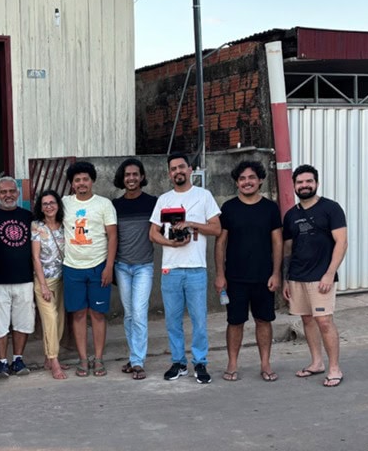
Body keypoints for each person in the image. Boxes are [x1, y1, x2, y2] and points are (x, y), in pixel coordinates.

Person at [149, 153, 221, 384]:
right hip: (170, 268)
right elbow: (153, 233)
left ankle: (200, 363)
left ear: (190, 169)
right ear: (169, 174)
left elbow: (216, 228)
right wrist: (171, 242)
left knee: (199, 320)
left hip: (196, 268)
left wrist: (190, 224)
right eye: (173, 169)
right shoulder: (164, 200)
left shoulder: (204, 196)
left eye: (181, 167)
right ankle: (179, 362)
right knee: (172, 320)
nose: (178, 171)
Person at [214, 160, 283, 382]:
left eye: (251, 177)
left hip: (264, 277)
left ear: (260, 179)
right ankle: (232, 364)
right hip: (235, 277)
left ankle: (265, 364)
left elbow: (277, 243)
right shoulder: (229, 208)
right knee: (235, 322)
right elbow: (220, 243)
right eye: (242, 178)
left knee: (264, 320)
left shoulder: (270, 208)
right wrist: (220, 274)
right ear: (236, 182)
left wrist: (276, 273)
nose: (247, 182)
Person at [283, 164, 348, 388]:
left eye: (308, 181)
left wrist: (329, 274)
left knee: (324, 321)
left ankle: (334, 368)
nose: (304, 185)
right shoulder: (291, 215)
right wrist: (286, 278)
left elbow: (342, 242)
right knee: (307, 320)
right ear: (294, 186)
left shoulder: (331, 208)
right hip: (297, 277)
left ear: (316, 183)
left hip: (322, 278)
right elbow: (288, 249)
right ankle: (317, 363)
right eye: (300, 182)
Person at [61, 161, 117, 378]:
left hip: (98, 266)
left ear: (92, 181)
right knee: (78, 314)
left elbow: (112, 236)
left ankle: (99, 358)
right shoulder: (64, 203)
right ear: (72, 184)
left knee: (98, 314)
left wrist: (109, 266)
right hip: (72, 267)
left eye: (85, 179)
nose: (81, 183)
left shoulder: (104, 204)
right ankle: (83, 359)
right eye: (77, 180)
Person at [0, 176, 35, 378]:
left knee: (23, 322)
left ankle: (18, 359)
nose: (8, 195)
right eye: (3, 192)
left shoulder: (29, 217)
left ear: (17, 194)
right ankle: (1, 362)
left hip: (25, 278)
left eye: (11, 191)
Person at [111, 158, 157, 380]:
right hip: (121, 266)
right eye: (127, 175)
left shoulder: (153, 203)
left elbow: (163, 230)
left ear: (142, 177)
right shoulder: (115, 206)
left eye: (135, 174)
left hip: (143, 267)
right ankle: (134, 356)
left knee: (139, 313)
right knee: (129, 314)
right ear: (122, 178)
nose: (131, 178)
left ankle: (138, 361)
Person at [31, 189, 69, 380]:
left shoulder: (65, 225)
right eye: (45, 204)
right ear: (41, 207)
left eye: (52, 202)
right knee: (50, 319)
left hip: (63, 279)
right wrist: (43, 285)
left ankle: (49, 357)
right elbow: (36, 258)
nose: (49, 207)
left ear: (58, 205)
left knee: (60, 320)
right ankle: (54, 361)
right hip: (44, 281)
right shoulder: (37, 227)